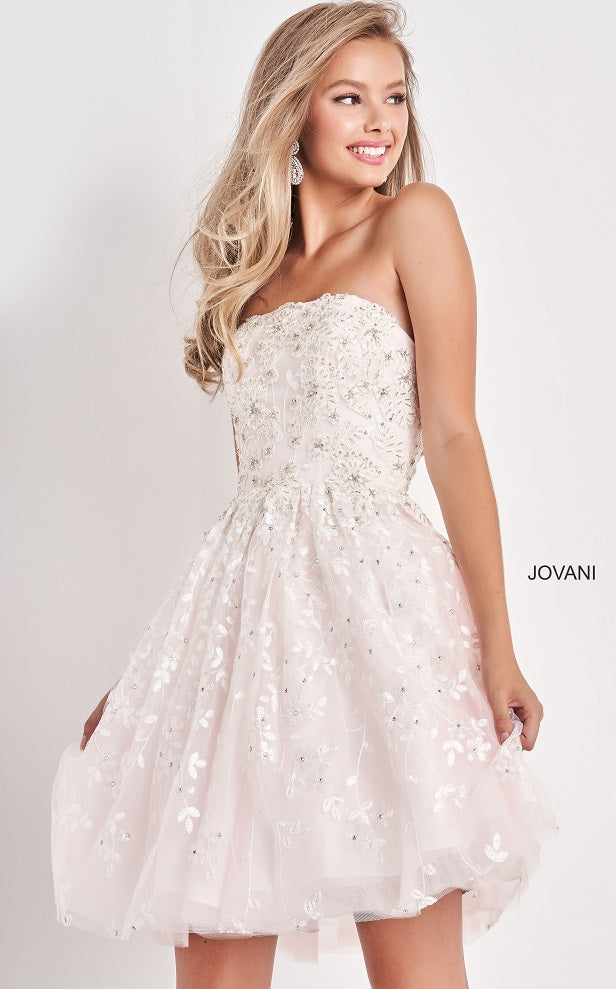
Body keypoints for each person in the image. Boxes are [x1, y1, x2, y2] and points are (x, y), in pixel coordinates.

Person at [51, 3, 559, 988]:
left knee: (415, 973)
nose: (381, 122)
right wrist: (150, 683)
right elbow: (257, 503)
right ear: (294, 112)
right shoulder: (251, 282)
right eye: (350, 98)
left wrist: (499, 646)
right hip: (243, 643)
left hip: (381, 632)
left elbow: (453, 435)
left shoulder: (415, 220)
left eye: (394, 97)